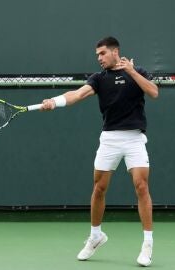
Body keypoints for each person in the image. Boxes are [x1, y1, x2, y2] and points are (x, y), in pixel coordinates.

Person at [40, 36, 158, 267]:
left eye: (102, 53)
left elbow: (154, 92)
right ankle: (95, 236)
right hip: (110, 138)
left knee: (141, 185)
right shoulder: (99, 79)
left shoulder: (137, 70)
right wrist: (54, 101)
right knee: (99, 187)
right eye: (97, 55)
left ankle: (147, 243)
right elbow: (77, 94)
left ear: (115, 52)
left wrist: (132, 72)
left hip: (134, 137)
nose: (99, 59)